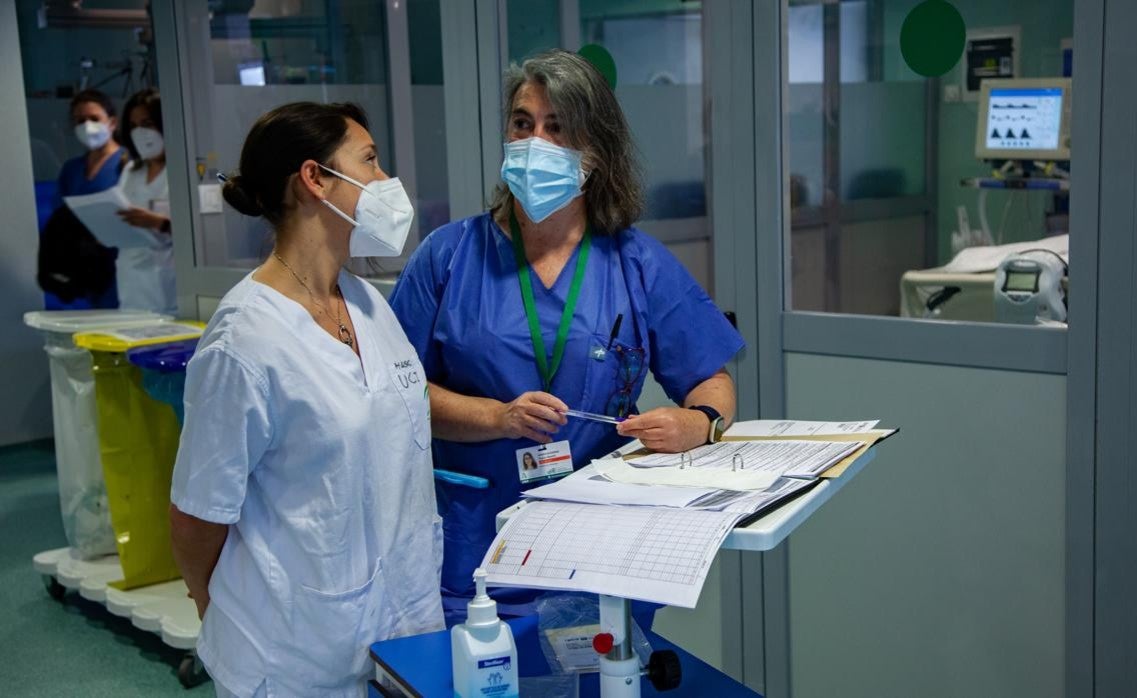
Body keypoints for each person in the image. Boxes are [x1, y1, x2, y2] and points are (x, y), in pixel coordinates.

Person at [390, 49, 745, 622]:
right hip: (475, 547)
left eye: (557, 128)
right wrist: (497, 418)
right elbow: (396, 393)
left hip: (599, 547)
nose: (535, 143)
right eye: (523, 124)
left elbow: (711, 380)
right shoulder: (449, 257)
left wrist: (699, 422)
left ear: (593, 154)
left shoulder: (636, 263)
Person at [169, 102, 443, 697]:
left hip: (400, 630)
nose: (384, 180)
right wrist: (228, 610)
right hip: (294, 656)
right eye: (369, 160)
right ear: (315, 179)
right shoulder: (244, 338)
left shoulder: (368, 304)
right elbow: (197, 515)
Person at [47, 89, 125, 308]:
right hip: (86, 265)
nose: (87, 125)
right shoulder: (71, 170)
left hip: (123, 264)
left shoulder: (128, 164)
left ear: (111, 123)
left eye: (94, 118)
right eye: (80, 120)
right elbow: (60, 215)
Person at [114, 88, 176, 314]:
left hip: (168, 280)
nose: (140, 132)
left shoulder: (181, 171)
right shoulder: (131, 170)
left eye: (147, 123)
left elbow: (202, 235)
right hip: (131, 279)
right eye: (133, 126)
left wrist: (159, 223)